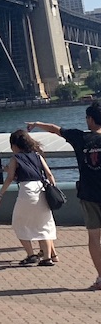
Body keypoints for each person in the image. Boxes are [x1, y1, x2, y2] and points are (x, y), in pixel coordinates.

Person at [28, 100, 101, 291]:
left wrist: (36, 124)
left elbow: (54, 129)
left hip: (89, 195)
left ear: (91, 119)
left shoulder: (79, 138)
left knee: (94, 238)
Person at [0, 129, 57, 265]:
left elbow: (10, 177)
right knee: (44, 224)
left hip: (27, 192)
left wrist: (0, 195)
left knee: (19, 223)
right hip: (41, 189)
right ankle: (47, 258)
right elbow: (49, 175)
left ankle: (31, 255)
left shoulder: (15, 158)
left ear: (15, 145)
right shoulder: (37, 155)